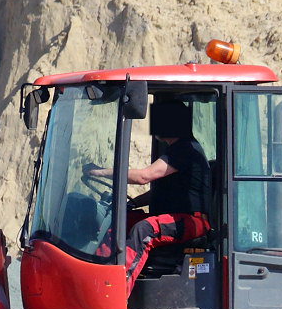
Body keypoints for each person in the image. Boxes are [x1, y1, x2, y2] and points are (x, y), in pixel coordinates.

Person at [84, 100, 211, 295]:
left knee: (144, 229)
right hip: (174, 217)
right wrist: (133, 203)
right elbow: (161, 192)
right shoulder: (175, 150)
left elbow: (144, 177)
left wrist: (100, 171)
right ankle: (97, 277)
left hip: (192, 221)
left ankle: (114, 293)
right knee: (119, 222)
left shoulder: (185, 149)